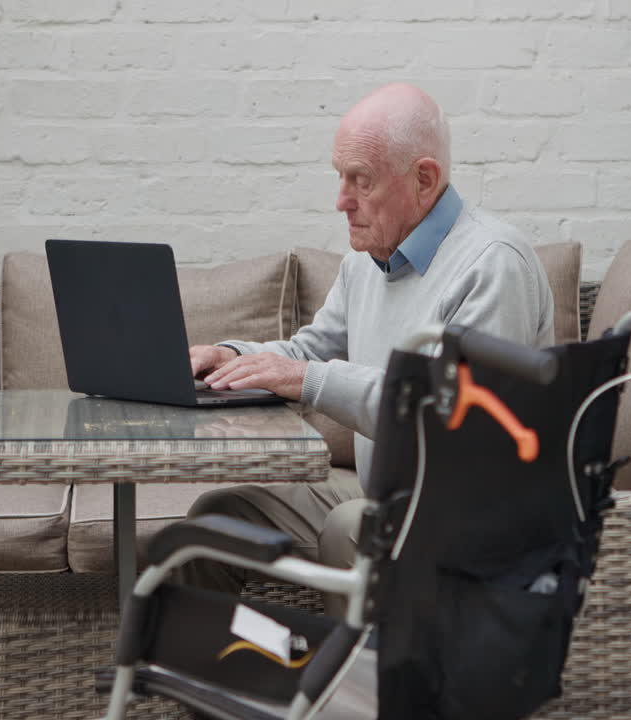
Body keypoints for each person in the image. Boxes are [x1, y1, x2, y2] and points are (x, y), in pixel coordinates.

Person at [183, 83, 555, 612]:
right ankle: (209, 685)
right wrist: (235, 357)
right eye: (340, 176)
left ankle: (361, 694)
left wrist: (305, 378)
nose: (341, 200)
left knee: (351, 529)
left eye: (361, 179)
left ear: (424, 180)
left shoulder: (492, 264)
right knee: (216, 520)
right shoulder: (369, 259)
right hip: (388, 496)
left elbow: (457, 422)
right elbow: (311, 347)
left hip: (474, 518)